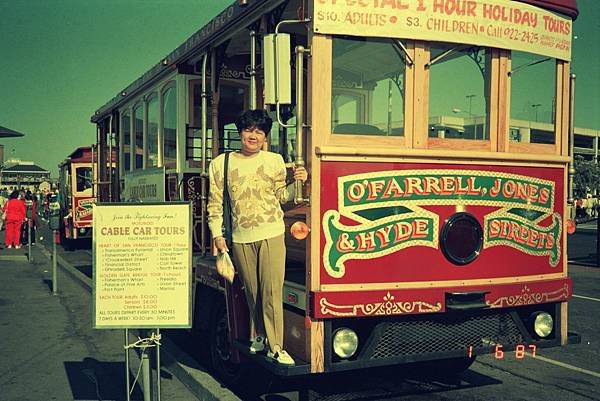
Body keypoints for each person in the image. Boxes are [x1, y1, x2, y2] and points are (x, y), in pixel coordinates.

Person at [207, 109, 308, 366]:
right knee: (252, 292)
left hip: (272, 232)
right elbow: (215, 204)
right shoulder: (221, 163)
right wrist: (217, 235)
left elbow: (282, 198)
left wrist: (298, 182)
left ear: (265, 137)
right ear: (240, 132)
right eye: (249, 130)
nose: (253, 136)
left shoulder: (274, 160)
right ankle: (261, 336)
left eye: (259, 132)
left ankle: (276, 347)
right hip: (240, 237)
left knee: (271, 291)